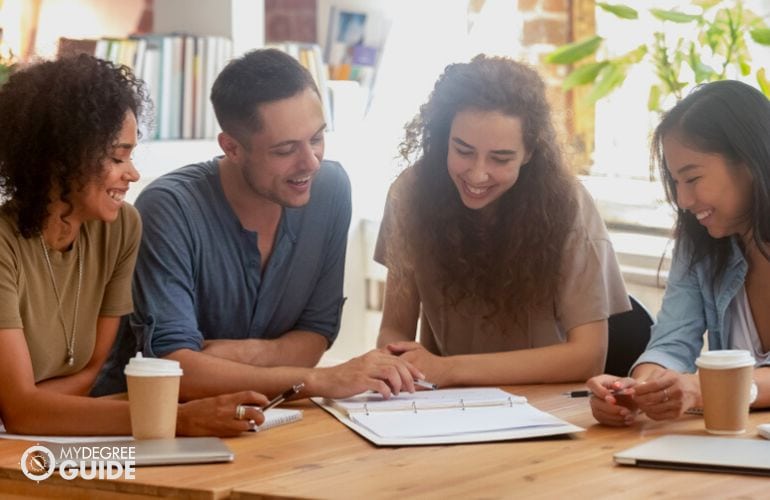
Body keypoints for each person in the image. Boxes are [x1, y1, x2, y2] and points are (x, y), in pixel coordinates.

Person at [95, 48, 421, 401]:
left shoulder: (330, 189)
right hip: (147, 428)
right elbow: (174, 371)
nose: (310, 163)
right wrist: (318, 380)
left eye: (316, 138)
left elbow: (314, 335)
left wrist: (243, 355)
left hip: (269, 417)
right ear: (231, 148)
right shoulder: (170, 208)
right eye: (285, 150)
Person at [0, 54, 268, 436]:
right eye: (116, 157)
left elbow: (90, 372)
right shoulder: (4, 245)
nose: (133, 173)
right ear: (60, 160)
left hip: (53, 434)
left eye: (132, 154)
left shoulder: (121, 227)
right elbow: (21, 412)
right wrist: (178, 419)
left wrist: (37, 405)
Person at [375, 54, 630, 387]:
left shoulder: (567, 206)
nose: (478, 174)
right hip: (446, 406)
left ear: (529, 153)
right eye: (463, 150)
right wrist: (396, 366)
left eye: (500, 158)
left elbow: (588, 356)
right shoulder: (409, 194)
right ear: (442, 138)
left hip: (544, 405)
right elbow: (394, 329)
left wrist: (449, 369)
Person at [587, 80, 770, 426]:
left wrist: (705, 389)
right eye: (676, 183)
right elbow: (672, 342)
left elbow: (702, 388)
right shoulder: (701, 240)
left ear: (749, 162)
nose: (684, 201)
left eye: (693, 178)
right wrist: (637, 390)